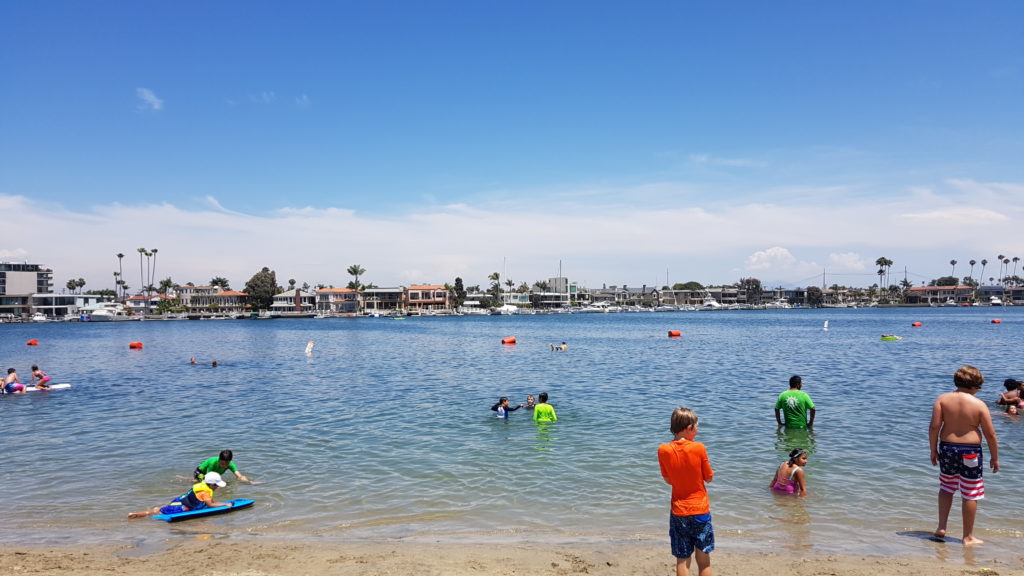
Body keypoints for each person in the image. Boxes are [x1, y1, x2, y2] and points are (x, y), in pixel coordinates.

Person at [929, 365, 999, 546]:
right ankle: (968, 536)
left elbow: (934, 427)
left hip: (947, 449)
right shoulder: (979, 405)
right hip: (970, 452)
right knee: (970, 492)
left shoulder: (942, 399)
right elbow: (990, 434)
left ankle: (941, 527)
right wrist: (995, 457)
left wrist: (933, 449)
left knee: (946, 486)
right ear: (974, 386)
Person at [658, 407, 714, 576]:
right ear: (689, 428)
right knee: (703, 560)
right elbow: (709, 477)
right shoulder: (699, 448)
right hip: (700, 510)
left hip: (679, 511)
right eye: (697, 427)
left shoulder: (663, 450)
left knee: (682, 559)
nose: (697, 431)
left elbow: (668, 480)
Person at [128, 472, 234, 518]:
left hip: (180, 500)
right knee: (157, 511)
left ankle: (144, 512)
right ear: (211, 484)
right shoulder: (205, 491)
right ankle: (137, 514)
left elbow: (208, 501)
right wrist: (225, 504)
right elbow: (210, 504)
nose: (217, 487)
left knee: (161, 508)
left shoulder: (203, 485)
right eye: (216, 485)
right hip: (182, 507)